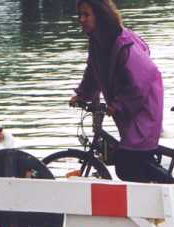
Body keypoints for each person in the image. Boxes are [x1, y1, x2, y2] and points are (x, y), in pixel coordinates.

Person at [69, 0, 168, 183]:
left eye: (86, 14)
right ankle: (150, 199)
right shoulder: (98, 42)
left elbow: (144, 78)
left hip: (144, 105)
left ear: (100, 15)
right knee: (134, 165)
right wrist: (82, 94)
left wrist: (118, 105)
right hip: (129, 108)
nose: (81, 19)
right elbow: (93, 72)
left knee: (126, 162)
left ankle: (169, 191)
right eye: (79, 15)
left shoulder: (123, 43)